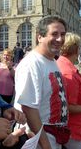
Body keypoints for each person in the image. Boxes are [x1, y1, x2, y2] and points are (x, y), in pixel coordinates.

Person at [14, 15, 69, 149]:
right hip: (37, 139)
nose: (60, 39)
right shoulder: (32, 63)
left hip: (53, 136)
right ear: (40, 37)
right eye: (54, 34)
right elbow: (29, 108)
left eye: (62, 34)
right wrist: (45, 145)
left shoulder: (51, 60)